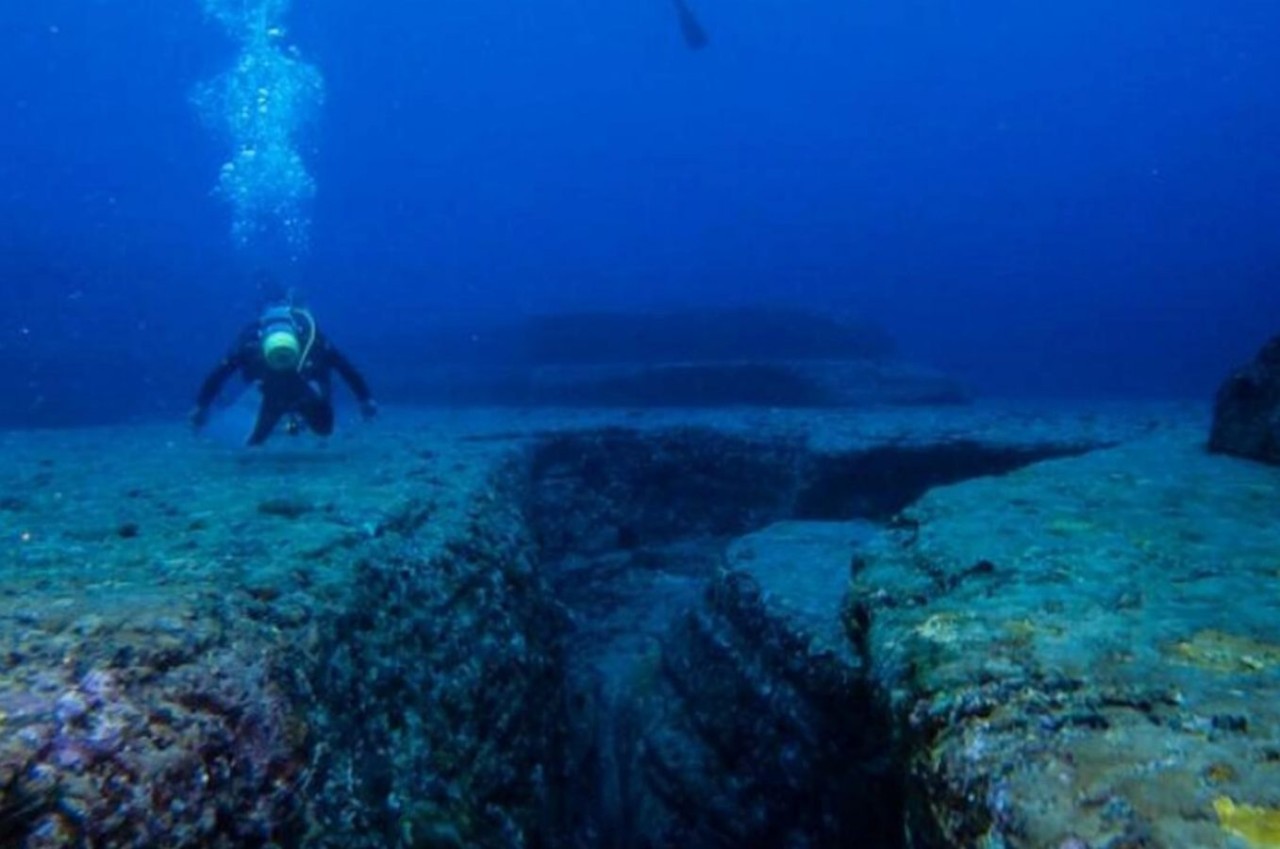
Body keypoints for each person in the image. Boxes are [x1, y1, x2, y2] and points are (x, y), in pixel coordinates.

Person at [190, 291, 377, 445]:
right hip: (305, 386)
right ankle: (310, 392)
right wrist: (365, 399)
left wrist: (201, 406)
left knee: (258, 432)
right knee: (323, 428)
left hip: (269, 389)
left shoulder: (252, 338)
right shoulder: (310, 335)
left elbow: (220, 372)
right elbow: (344, 367)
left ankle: (269, 410)